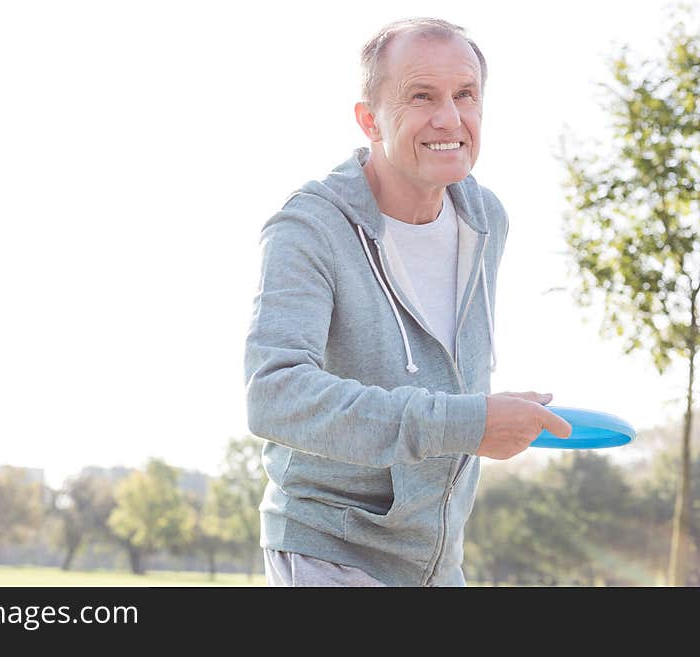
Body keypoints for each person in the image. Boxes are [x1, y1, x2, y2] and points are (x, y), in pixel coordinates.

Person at [243, 17, 572, 587]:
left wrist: (490, 417)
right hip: (329, 549)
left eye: (465, 95)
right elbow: (275, 397)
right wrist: (466, 422)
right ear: (369, 120)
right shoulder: (309, 228)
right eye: (422, 97)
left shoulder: (485, 218)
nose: (450, 118)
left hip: (436, 563)